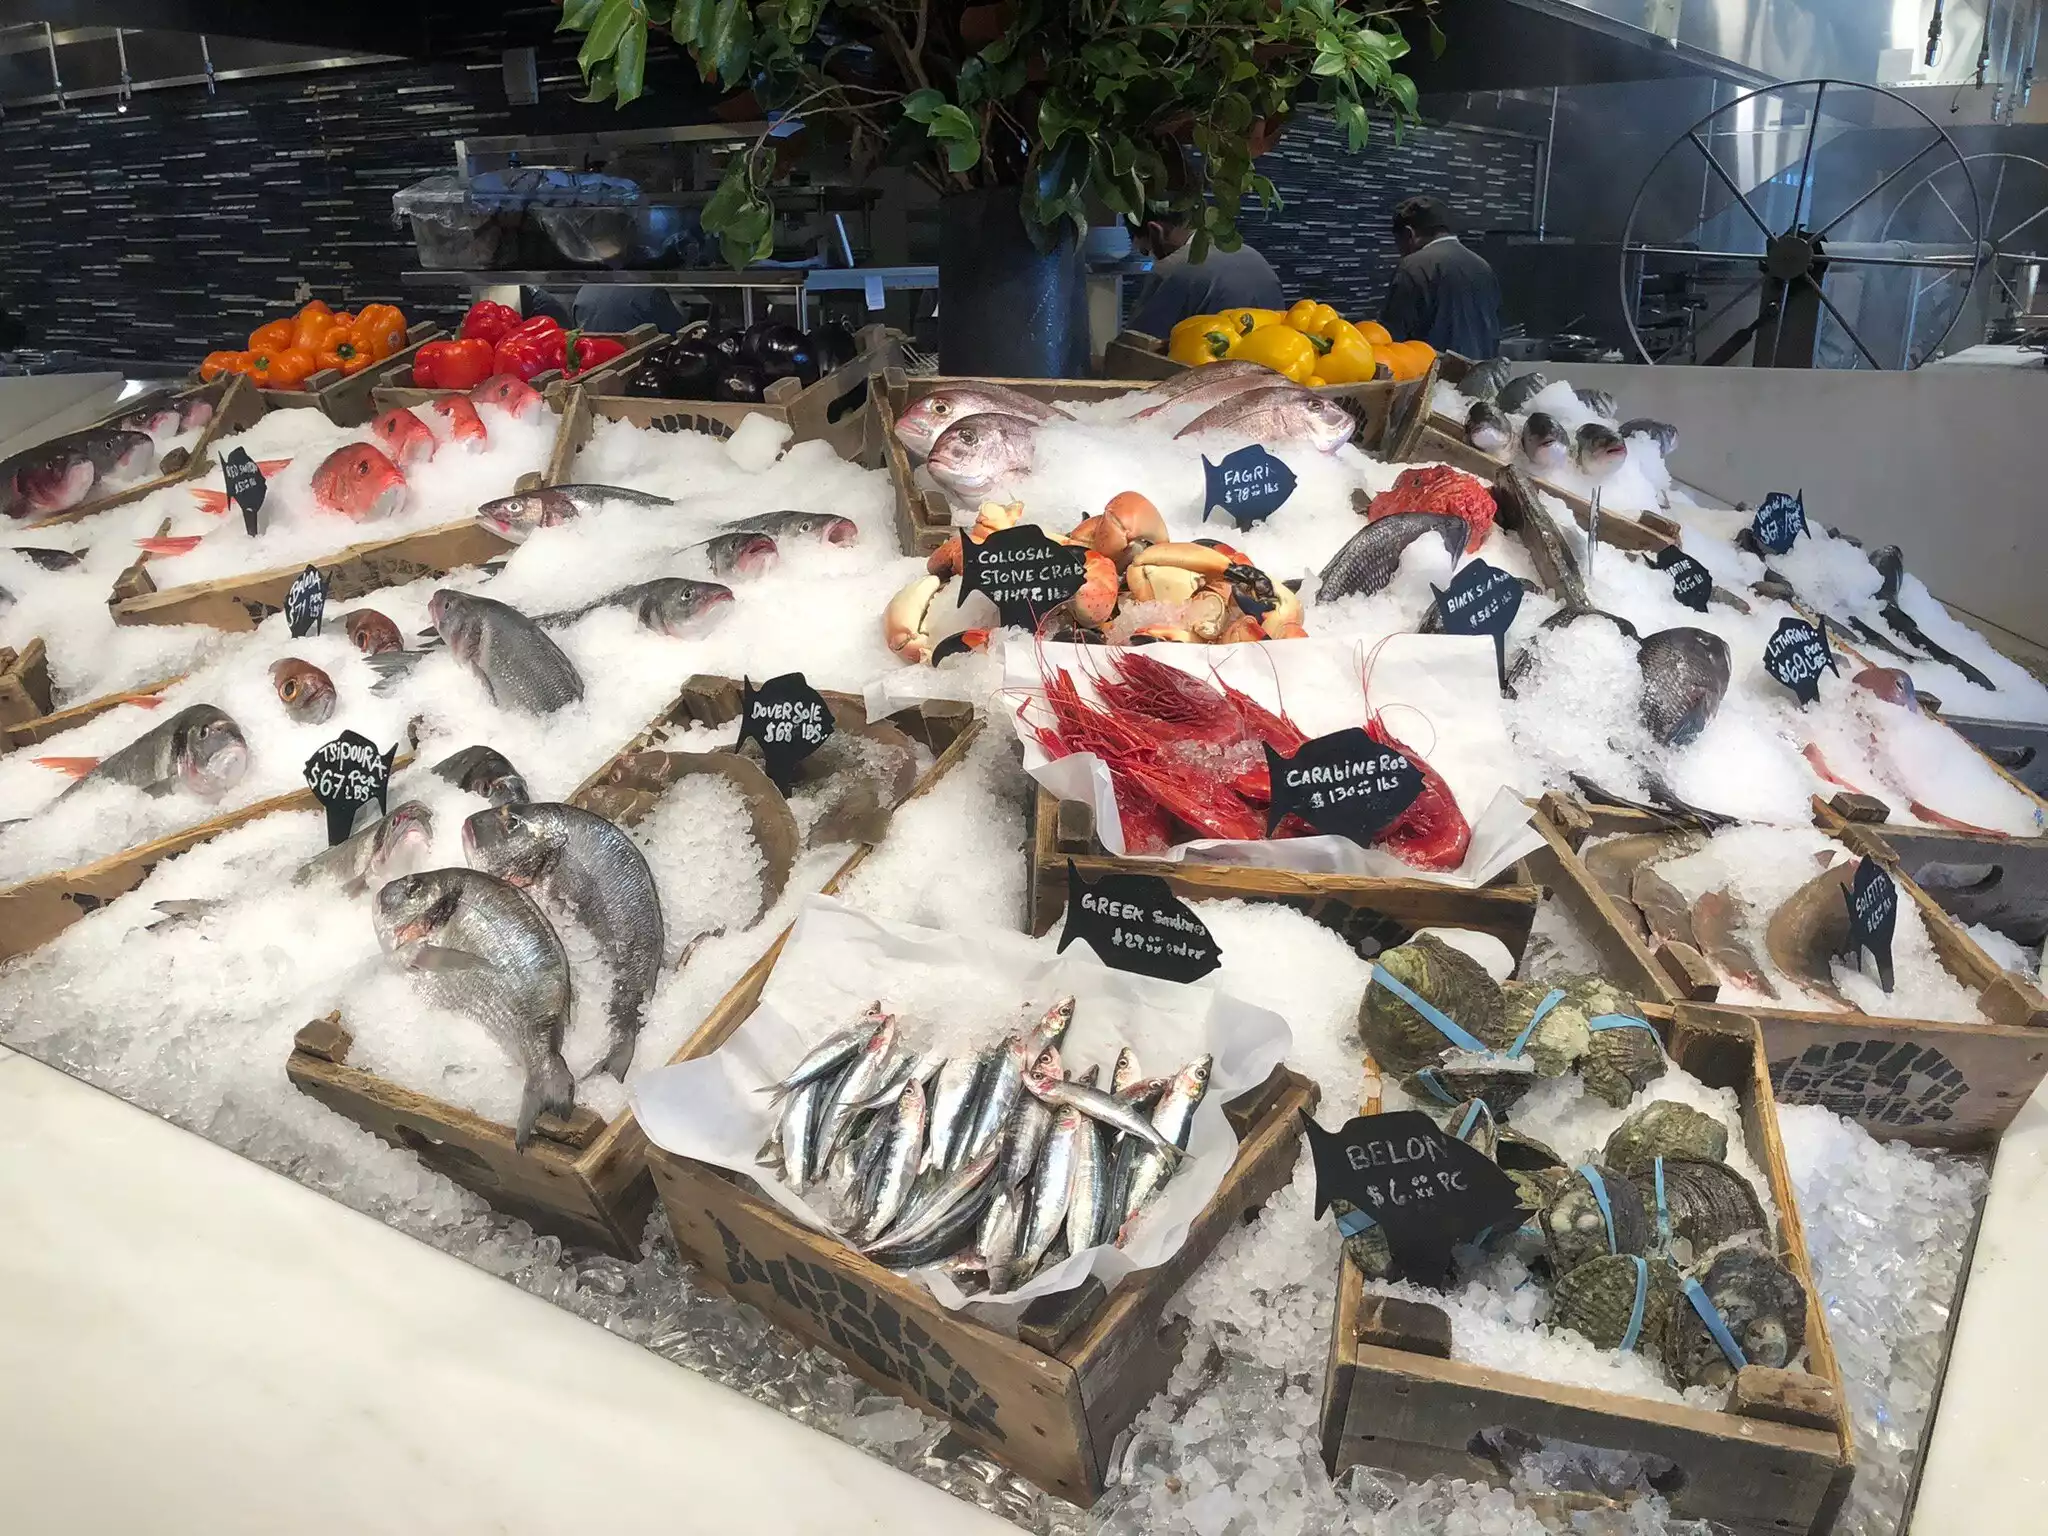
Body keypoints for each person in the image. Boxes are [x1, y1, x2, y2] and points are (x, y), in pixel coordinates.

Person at [1127, 211, 1285, 341]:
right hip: (1274, 364)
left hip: (1209, 368)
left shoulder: (1171, 268)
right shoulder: (1255, 257)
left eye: (1145, 251)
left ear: (1155, 232)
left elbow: (1136, 347)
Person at [1380, 196, 1501, 360]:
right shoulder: (1483, 266)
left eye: (1398, 241)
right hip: (1481, 370)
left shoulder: (1413, 267)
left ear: (1409, 234)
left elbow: (1390, 337)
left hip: (1435, 373)